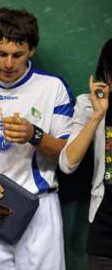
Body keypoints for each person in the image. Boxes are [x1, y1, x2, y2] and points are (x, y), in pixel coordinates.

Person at [0, 7, 74, 270]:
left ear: (31, 50)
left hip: (40, 209)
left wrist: (35, 135)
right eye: (2, 54)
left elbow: (68, 156)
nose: (9, 64)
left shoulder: (53, 87)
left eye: (17, 55)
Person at [59, 38, 112, 270]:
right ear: (106, 75)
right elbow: (67, 163)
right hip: (105, 226)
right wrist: (97, 116)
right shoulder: (89, 105)